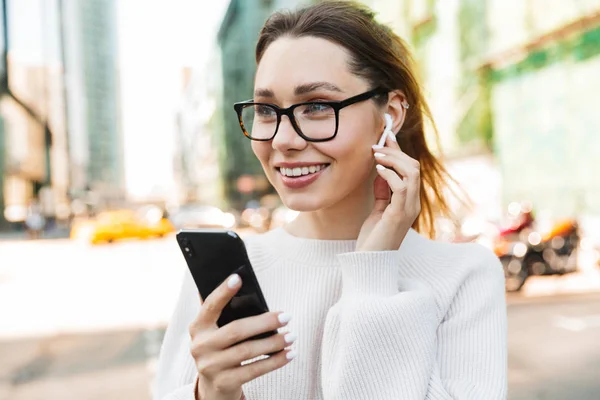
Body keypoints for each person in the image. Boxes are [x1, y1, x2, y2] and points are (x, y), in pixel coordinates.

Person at [154, 2, 507, 399]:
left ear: (389, 114)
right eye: (267, 110)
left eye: (317, 106)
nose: (284, 140)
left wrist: (373, 273)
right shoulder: (225, 276)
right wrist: (213, 395)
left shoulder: (464, 276)